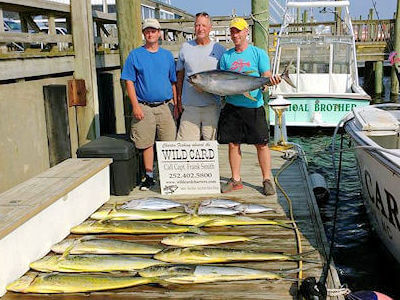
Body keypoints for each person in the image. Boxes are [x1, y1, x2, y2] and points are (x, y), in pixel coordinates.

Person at [217, 17, 281, 195]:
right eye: (232, 31)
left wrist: (269, 81)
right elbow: (222, 81)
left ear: (246, 32)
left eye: (238, 31)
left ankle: (267, 179)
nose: (235, 34)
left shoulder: (258, 53)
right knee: (233, 143)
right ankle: (236, 179)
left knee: (261, 144)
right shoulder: (226, 56)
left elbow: (265, 76)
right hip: (232, 106)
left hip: (254, 106)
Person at [121, 18, 178, 191]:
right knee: (146, 143)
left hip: (165, 105)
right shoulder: (135, 55)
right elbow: (129, 81)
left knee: (168, 142)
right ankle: (149, 176)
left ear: (159, 33)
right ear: (144, 33)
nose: (150, 33)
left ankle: (169, 176)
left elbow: (173, 81)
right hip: (144, 105)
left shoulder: (167, 55)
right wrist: (135, 106)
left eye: (153, 31)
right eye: (147, 31)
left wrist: (176, 104)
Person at [176, 12, 225, 141]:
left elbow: (226, 77)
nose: (200, 28)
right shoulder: (185, 47)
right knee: (186, 147)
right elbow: (180, 76)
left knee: (211, 146)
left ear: (210, 28)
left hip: (212, 106)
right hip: (190, 106)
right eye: (197, 25)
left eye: (203, 25)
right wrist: (179, 99)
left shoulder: (220, 49)